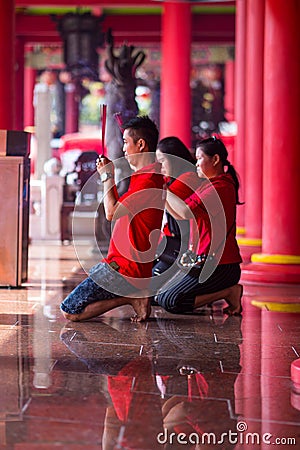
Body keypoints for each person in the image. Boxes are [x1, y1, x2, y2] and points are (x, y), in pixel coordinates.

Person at [60, 115, 165, 322]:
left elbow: (112, 212)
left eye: (126, 142)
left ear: (141, 144)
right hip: (125, 264)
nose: (124, 149)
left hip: (125, 268)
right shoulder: (149, 176)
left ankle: (131, 297)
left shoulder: (148, 181)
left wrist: (108, 175)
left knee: (70, 310)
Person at [154, 136, 243, 316]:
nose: (195, 163)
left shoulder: (221, 188)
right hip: (204, 261)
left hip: (221, 265)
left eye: (199, 158)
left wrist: (163, 188)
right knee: (161, 296)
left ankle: (229, 291)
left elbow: (185, 211)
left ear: (215, 159)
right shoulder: (207, 186)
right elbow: (179, 214)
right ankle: (224, 292)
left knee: (172, 301)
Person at [153, 136, 200, 276]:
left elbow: (158, 198)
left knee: (151, 284)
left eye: (162, 161)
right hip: (171, 243)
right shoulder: (170, 178)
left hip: (182, 245)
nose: (160, 166)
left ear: (174, 159)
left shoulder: (189, 177)